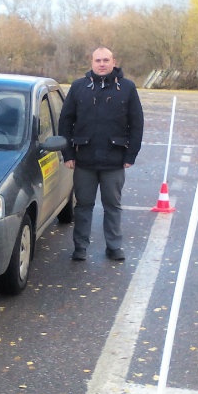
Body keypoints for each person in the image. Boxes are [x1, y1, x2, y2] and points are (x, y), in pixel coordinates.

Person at [58, 47, 144, 261]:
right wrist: (68, 154)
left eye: (106, 60)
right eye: (98, 60)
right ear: (92, 62)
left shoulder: (127, 88)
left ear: (114, 61)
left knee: (113, 206)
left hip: (114, 161)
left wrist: (130, 155)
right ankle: (80, 248)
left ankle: (114, 247)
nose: (102, 64)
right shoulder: (79, 87)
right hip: (84, 160)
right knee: (83, 206)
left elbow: (137, 124)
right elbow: (65, 122)